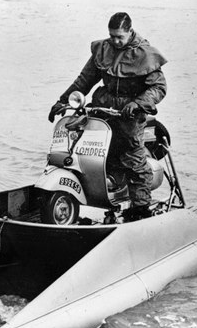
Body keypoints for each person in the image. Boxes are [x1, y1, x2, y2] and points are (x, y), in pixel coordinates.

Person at [48, 12, 168, 221]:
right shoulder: (103, 49)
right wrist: (64, 100)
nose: (114, 40)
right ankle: (103, 195)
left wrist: (138, 103)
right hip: (102, 108)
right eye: (111, 36)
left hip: (130, 113)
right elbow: (85, 79)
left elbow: (158, 87)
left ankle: (140, 209)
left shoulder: (144, 54)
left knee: (133, 158)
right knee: (92, 152)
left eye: (119, 37)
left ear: (130, 32)